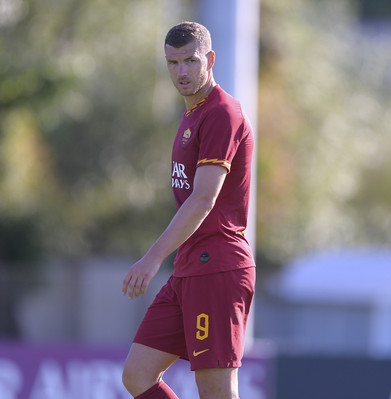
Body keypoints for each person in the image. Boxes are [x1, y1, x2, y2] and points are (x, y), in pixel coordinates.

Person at [121, 21, 255, 399]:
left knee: (215, 391)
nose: (181, 72)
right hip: (189, 267)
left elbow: (203, 198)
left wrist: (152, 258)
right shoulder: (192, 112)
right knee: (138, 374)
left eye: (190, 61)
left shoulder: (221, 113)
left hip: (219, 267)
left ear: (210, 60)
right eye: (173, 63)